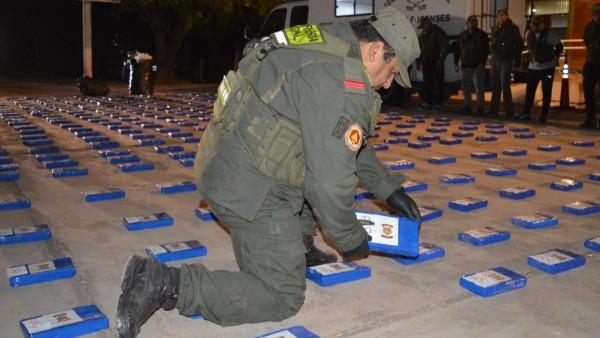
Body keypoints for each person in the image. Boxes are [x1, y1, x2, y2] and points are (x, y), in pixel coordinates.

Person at [116, 7, 422, 338]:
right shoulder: (339, 81)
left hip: (227, 160)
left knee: (312, 156)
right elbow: (330, 184)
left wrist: (389, 189)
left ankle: (298, 246)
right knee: (282, 295)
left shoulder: (324, 40)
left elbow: (344, 138)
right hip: (249, 187)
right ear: (375, 50)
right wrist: (351, 239)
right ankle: (162, 282)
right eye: (391, 72)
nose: (389, 83)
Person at [516, 15, 563, 122]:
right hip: (533, 68)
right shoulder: (529, 34)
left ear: (541, 25)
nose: (534, 27)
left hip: (547, 68)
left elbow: (559, 47)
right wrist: (525, 61)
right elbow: (528, 48)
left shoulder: (549, 34)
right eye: (532, 25)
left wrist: (554, 57)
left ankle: (544, 115)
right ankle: (526, 113)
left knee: (546, 91)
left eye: (536, 25)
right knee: (530, 91)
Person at [489, 8, 524, 117]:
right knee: (495, 85)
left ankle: (509, 111)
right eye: (499, 15)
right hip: (495, 59)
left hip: (506, 60)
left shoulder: (512, 28)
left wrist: (512, 55)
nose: (501, 17)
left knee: (505, 86)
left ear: (507, 16)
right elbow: (492, 43)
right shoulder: (495, 28)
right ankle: (493, 110)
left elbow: (519, 44)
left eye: (503, 15)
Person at [454, 15, 489, 115]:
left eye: (475, 21)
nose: (473, 23)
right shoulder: (463, 34)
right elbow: (458, 49)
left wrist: (482, 63)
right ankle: (467, 106)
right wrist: (456, 61)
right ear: (467, 23)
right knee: (465, 88)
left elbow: (485, 50)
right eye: (471, 22)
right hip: (466, 66)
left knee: (479, 88)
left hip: (477, 66)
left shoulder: (482, 35)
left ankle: (480, 107)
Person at [417, 17, 449, 110]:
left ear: (428, 25)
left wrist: (441, 59)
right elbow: (421, 48)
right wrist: (419, 60)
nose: (423, 29)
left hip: (436, 61)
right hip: (426, 61)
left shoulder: (438, 33)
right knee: (427, 82)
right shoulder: (423, 35)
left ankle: (437, 103)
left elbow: (444, 46)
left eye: (423, 27)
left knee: (437, 83)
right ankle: (428, 102)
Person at [581, 3, 600, 129]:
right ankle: (591, 119)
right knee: (588, 91)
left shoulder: (589, 27)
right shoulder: (589, 27)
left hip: (593, 61)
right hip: (592, 62)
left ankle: (591, 119)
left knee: (590, 92)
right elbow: (587, 42)